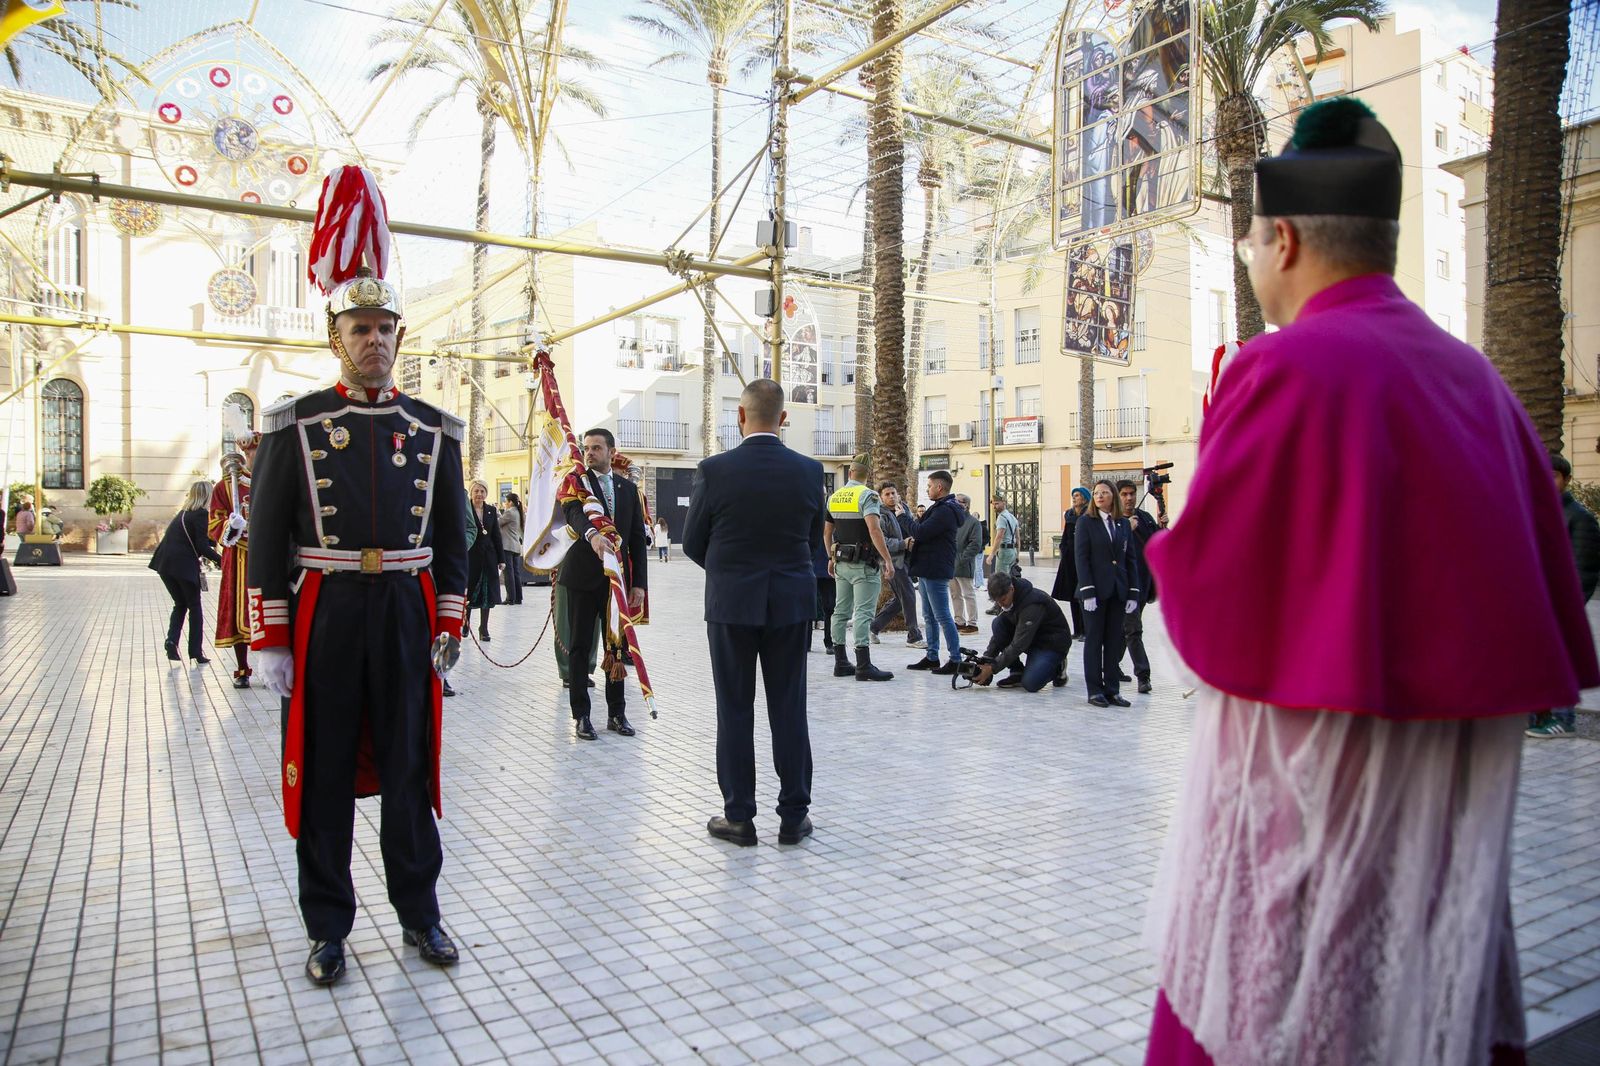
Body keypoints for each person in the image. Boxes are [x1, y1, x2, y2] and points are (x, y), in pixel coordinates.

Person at [1141, 99, 1598, 1066]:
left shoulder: (1278, 370)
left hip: (1297, 834)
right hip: (1439, 862)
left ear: (1287, 238)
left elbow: (1200, 618)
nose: (1251, 263)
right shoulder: (1482, 384)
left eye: (1251, 244)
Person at [246, 165, 469, 986]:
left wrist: (449, 623)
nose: (374, 339)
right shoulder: (295, 425)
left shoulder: (435, 429)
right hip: (327, 609)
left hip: (407, 611)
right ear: (336, 338)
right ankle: (328, 927)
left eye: (385, 328)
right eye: (359, 328)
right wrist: (269, 635)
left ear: (399, 338)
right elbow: (267, 537)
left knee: (410, 769)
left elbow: (456, 541)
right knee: (327, 771)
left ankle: (421, 914)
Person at [682, 379, 823, 847]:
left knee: (735, 709)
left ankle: (739, 817)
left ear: (740, 416)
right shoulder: (808, 471)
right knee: (789, 708)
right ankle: (793, 817)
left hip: (730, 606)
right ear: (783, 419)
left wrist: (729, 572)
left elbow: (691, 542)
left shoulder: (714, 470)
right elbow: (808, 538)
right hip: (790, 603)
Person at [559, 428, 648, 741]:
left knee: (617, 648)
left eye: (597, 447)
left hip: (617, 582)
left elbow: (636, 538)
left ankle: (616, 713)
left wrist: (639, 585)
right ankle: (582, 715)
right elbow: (573, 514)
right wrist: (593, 535)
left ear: (612, 451)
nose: (590, 452)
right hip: (582, 576)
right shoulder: (578, 483)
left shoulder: (627, 488)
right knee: (581, 647)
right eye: (586, 447)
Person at [1529, 455, 1600, 739]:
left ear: (1566, 479)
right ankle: (1537, 716)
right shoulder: (1538, 512)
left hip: (1562, 607)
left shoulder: (1580, 518)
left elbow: (1586, 568)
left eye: (1554, 476)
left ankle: (1563, 719)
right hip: (1538, 604)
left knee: (1562, 662)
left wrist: (1569, 607)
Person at [824, 459, 896, 682]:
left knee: (840, 612)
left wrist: (830, 557)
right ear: (868, 473)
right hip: (864, 565)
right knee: (863, 614)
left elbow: (827, 533)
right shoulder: (868, 496)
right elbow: (874, 530)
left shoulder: (834, 497)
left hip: (841, 563)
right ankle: (864, 665)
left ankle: (841, 662)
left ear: (850, 472)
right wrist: (888, 560)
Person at [1074, 480, 1138, 708]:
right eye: (1096, 493)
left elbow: (1130, 559)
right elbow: (1081, 559)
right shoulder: (1086, 522)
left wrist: (1133, 592)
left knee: (1113, 640)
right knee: (1094, 640)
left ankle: (1112, 689)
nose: (1100, 496)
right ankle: (1094, 690)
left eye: (1104, 492)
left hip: (1117, 590)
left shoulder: (1121, 524)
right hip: (1094, 592)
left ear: (1113, 497)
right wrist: (1087, 590)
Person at [149, 479, 222, 665]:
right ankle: (196, 652)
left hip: (165, 565)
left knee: (180, 604)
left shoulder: (183, 513)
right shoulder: (200, 515)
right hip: (183, 566)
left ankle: (172, 641)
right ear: (208, 496)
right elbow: (202, 546)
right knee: (195, 607)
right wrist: (223, 561)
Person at [209, 431, 259, 688]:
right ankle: (242, 667)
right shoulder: (225, 486)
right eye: (252, 452)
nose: (256, 456)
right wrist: (232, 526)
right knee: (239, 608)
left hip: (269, 552)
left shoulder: (274, 481)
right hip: (239, 555)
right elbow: (215, 523)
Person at [904, 470, 967, 675]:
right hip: (926, 567)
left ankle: (955, 658)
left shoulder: (945, 511)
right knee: (929, 615)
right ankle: (932, 656)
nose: (927, 489)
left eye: (929, 486)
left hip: (935, 568)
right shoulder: (939, 508)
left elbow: (920, 532)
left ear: (940, 487)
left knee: (942, 616)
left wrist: (902, 517)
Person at [971, 572, 1072, 692]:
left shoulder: (1032, 604)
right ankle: (1017, 672)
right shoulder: (1004, 598)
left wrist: (992, 668)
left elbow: (1019, 644)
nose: (1000, 604)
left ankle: (1058, 667)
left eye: (1003, 600)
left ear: (1011, 589)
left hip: (1051, 645)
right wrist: (986, 660)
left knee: (1031, 684)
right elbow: (998, 636)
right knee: (998, 623)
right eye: (997, 602)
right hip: (1031, 640)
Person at [1117, 479, 1163, 694]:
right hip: (1120, 586)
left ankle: (1112, 665)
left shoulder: (1145, 518)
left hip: (1142, 585)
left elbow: (1160, 544)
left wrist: (1164, 527)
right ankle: (1143, 675)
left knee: (1126, 628)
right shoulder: (1112, 521)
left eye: (1132, 493)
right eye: (1124, 494)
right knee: (1133, 630)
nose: (1129, 498)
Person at [868, 483, 925, 649]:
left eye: (894, 493)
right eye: (887, 494)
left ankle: (874, 626)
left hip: (908, 559)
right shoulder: (879, 514)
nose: (891, 496)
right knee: (908, 594)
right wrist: (902, 544)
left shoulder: (904, 509)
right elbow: (880, 540)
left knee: (901, 599)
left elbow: (912, 528)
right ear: (881, 497)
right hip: (891, 560)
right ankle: (913, 636)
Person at [1051, 487, 1091, 640]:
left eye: (1078, 495)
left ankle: (1087, 630)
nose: (1075, 498)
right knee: (1072, 596)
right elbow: (1066, 535)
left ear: (1085, 498)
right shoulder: (1069, 515)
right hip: (1069, 559)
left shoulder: (1089, 515)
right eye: (1073, 495)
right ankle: (1078, 630)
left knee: (1082, 595)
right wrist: (1064, 549)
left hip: (1082, 558)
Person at [466, 481, 503, 640]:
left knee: (486, 595)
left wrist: (501, 559)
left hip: (489, 557)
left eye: (482, 491)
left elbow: (496, 535)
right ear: (471, 493)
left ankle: (484, 628)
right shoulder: (465, 509)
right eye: (476, 491)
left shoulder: (491, 511)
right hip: (470, 556)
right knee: (469, 592)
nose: (479, 494)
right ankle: (465, 624)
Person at [952, 493, 983, 633]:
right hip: (950, 563)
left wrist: (962, 559)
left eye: (959, 502)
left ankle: (972, 623)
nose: (956, 504)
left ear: (966, 505)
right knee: (955, 594)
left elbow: (975, 544)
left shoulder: (973, 523)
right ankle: (959, 621)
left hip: (964, 564)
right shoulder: (952, 520)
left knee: (968, 594)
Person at [984, 494, 1019, 613]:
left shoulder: (1002, 518)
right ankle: (1010, 602)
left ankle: (998, 606)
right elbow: (1018, 537)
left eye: (997, 503)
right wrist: (1017, 554)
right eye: (993, 503)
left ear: (1004, 502)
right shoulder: (1012, 517)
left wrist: (991, 554)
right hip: (1012, 551)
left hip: (1004, 551)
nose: (994, 506)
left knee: (1000, 580)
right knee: (1009, 579)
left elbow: (999, 536)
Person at [810, 522, 835, 654]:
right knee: (829, 606)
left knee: (829, 607)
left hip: (821, 566)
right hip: (819, 565)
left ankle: (828, 642)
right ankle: (828, 642)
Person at [498, 492, 524, 605]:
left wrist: (497, 514)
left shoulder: (510, 512)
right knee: (515, 573)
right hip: (516, 546)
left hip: (507, 546)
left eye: (506, 502)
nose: (505, 504)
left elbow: (499, 523)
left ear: (511, 502)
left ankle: (510, 598)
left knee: (508, 573)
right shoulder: (518, 512)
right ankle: (518, 597)